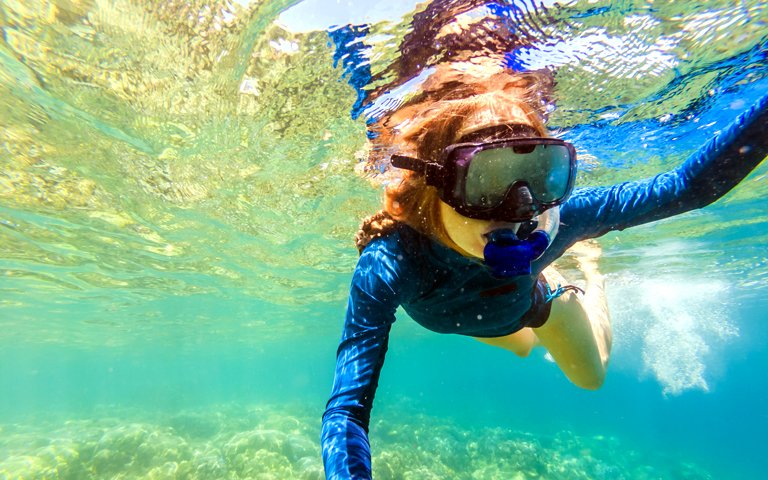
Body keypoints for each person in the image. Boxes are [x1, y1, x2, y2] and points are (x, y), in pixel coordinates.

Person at [321, 2, 768, 478]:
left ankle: (588, 277)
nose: (522, 210)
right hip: (486, 319)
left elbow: (687, 188)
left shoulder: (559, 221)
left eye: (541, 175)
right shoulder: (391, 260)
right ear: (434, 186)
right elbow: (346, 411)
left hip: (533, 303)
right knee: (518, 345)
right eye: (489, 181)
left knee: (590, 378)